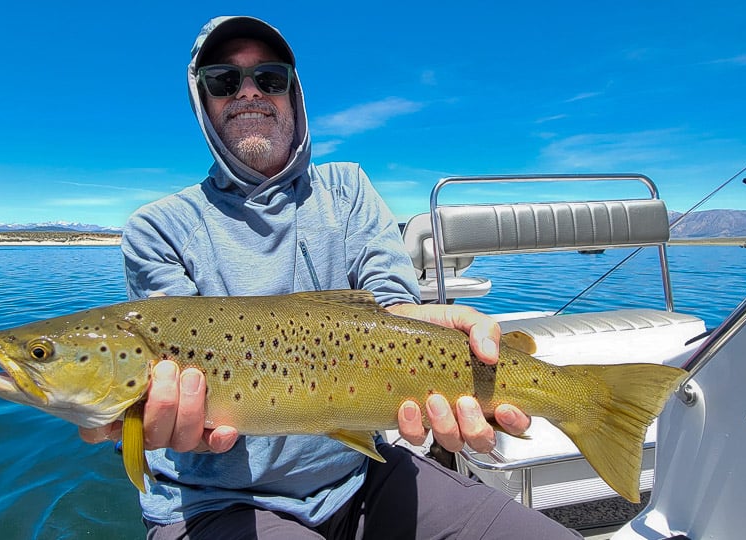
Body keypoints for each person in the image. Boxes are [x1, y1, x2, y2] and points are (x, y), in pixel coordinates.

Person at [80, 16, 583, 539]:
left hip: (362, 471)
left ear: (295, 96)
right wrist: (146, 423)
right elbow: (178, 366)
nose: (248, 92)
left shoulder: (351, 189)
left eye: (269, 79)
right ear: (201, 102)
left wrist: (413, 323)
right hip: (217, 502)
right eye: (224, 81)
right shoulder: (158, 228)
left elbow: (391, 300)